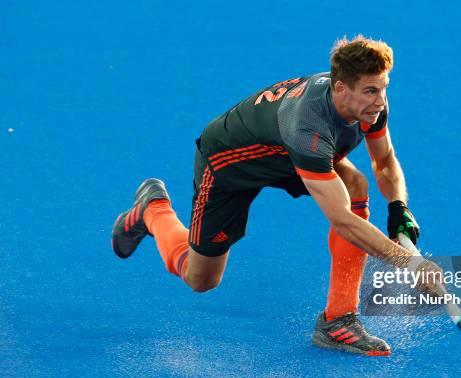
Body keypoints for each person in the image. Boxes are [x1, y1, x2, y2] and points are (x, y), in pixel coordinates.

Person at [112, 35, 438, 357]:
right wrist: (408, 262)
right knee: (201, 279)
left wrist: (398, 208)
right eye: (371, 91)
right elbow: (343, 221)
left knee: (356, 184)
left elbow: (383, 161)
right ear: (341, 89)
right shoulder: (307, 127)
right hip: (229, 164)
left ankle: (338, 319)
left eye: (383, 88)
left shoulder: (367, 105)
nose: (380, 100)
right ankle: (153, 209)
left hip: (286, 151)